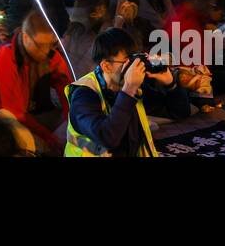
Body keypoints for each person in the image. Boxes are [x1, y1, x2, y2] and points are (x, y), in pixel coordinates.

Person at [65, 28, 176, 157]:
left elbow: (178, 112)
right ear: (106, 66)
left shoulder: (133, 86)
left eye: (134, 60)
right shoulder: (84, 95)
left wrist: (171, 85)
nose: (133, 68)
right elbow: (107, 137)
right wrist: (128, 90)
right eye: (126, 62)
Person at [0, 10, 72, 154]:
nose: (45, 51)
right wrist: (49, 138)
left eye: (49, 44)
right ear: (25, 37)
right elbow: (15, 112)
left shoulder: (50, 54)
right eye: (39, 45)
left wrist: (74, 123)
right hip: (6, 119)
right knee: (34, 144)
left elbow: (67, 92)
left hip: (37, 111)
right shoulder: (5, 58)